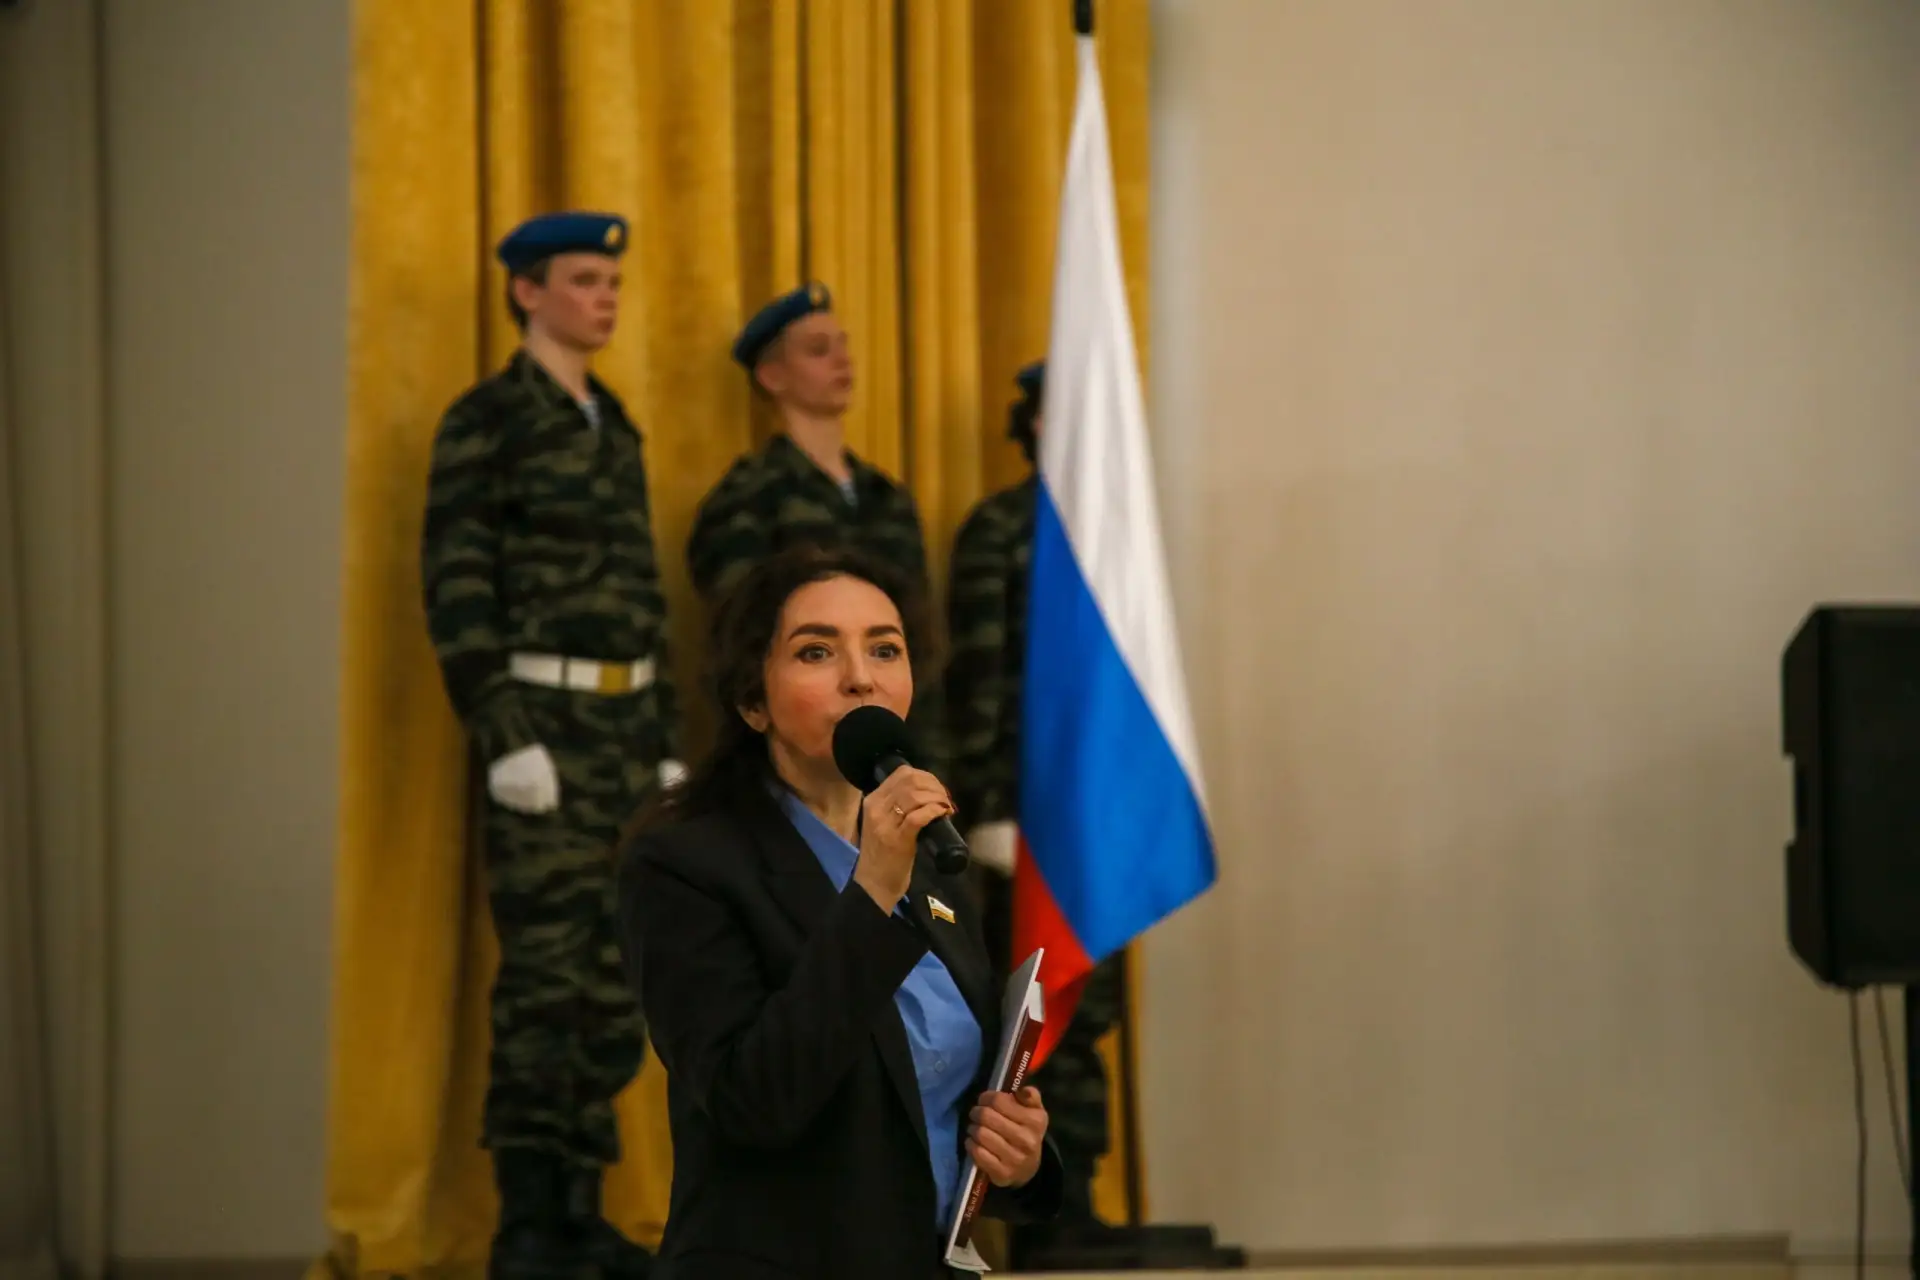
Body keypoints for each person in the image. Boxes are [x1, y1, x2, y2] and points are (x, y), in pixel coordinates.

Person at [616, 545, 1064, 1279]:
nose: (861, 677)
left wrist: (1021, 1157)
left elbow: (937, 1100)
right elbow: (754, 1102)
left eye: (885, 649)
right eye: (816, 651)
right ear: (752, 700)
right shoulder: (684, 865)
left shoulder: (931, 857)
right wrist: (872, 892)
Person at [421, 210, 680, 1280]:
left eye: (611, 280)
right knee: (542, 977)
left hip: (624, 729)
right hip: (542, 725)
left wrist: (666, 738)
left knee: (614, 973)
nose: (605, 297)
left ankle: (582, 1210)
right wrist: (501, 732)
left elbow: (644, 591)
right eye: (583, 279)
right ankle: (527, 1224)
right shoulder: (488, 419)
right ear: (527, 291)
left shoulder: (614, 425)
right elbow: (457, 582)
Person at [944, 360, 1126, 1262]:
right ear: (1039, 424)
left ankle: (1077, 1196)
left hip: (1093, 813)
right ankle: (1034, 1217)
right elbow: (978, 676)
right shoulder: (1000, 530)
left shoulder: (1117, 537)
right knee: (1031, 1013)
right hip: (1024, 813)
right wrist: (985, 804)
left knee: (1091, 1007)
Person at [685, 283, 945, 771]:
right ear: (772, 375)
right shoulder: (748, 498)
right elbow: (742, 642)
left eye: (843, 345)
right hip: (792, 756)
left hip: (893, 744)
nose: (842, 360)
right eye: (818, 349)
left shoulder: (885, 496)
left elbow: (918, 635)